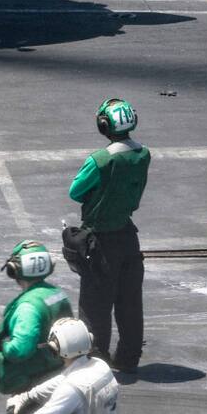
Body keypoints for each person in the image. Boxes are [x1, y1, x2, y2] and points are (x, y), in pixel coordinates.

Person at [69, 98, 150, 374]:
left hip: (100, 239)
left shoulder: (100, 159)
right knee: (129, 302)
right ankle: (128, 358)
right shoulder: (143, 153)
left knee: (94, 305)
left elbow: (76, 191)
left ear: (104, 125)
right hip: (128, 235)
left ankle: (96, 361)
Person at [0, 241, 74, 400]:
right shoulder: (58, 294)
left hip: (32, 384)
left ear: (14, 270)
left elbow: (20, 350)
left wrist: (5, 344)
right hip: (58, 372)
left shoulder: (28, 307)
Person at [6, 318, 119, 414]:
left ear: (57, 349)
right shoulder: (100, 365)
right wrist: (26, 396)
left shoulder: (71, 389)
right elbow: (63, 379)